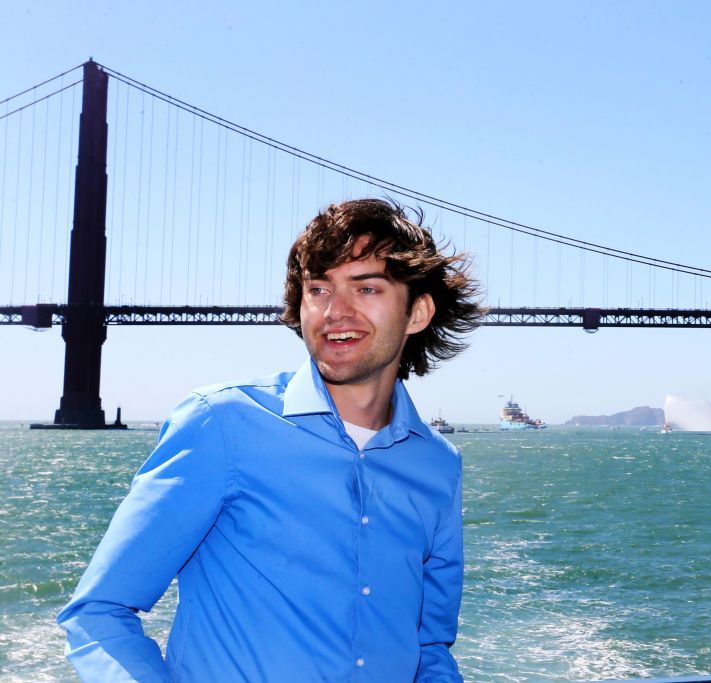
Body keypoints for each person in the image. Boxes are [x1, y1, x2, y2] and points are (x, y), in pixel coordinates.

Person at [57, 198, 483, 682]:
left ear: (418, 312)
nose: (335, 311)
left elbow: (429, 648)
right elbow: (99, 613)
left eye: (366, 288)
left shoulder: (438, 465)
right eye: (318, 289)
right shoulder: (221, 424)